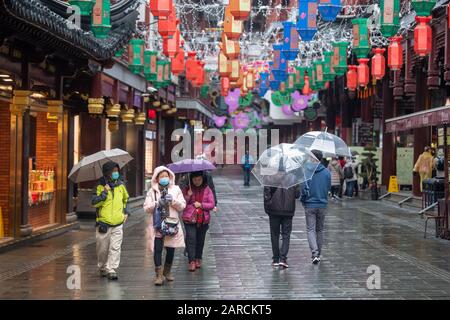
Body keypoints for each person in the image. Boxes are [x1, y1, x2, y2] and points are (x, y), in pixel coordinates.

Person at [143, 166, 186, 286]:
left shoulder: (176, 189)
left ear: (170, 177)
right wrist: (157, 203)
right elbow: (146, 208)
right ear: (157, 178)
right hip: (158, 225)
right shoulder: (152, 191)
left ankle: (167, 271)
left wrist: (173, 201)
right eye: (161, 176)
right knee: (157, 249)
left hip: (171, 224)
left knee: (171, 249)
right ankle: (159, 275)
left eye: (166, 176)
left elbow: (182, 206)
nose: (164, 178)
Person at [91, 161, 130, 280]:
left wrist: (126, 212)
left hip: (118, 223)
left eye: (117, 171)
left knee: (115, 247)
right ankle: (102, 266)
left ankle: (112, 269)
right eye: (113, 171)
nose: (115, 173)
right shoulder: (99, 186)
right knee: (102, 249)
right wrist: (104, 192)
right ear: (106, 173)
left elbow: (126, 199)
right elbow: (94, 203)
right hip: (103, 223)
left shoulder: (121, 185)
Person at [300, 150, 331, 264]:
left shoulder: (307, 171)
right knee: (320, 230)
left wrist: (303, 200)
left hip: (310, 204)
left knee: (311, 229)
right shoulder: (327, 172)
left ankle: (314, 253)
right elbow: (328, 188)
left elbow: (303, 188)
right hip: (322, 204)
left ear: (313, 158)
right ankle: (318, 253)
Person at [182, 171, 215, 271]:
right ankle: (191, 261)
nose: (197, 182)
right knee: (191, 239)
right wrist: (188, 196)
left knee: (200, 240)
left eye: (199, 179)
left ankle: (198, 258)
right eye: (195, 180)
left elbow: (211, 204)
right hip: (189, 219)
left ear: (203, 179)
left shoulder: (207, 189)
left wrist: (201, 205)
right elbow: (182, 203)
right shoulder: (187, 189)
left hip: (203, 219)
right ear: (191, 180)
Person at [264, 183, 300, 269]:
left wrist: (267, 209)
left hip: (274, 210)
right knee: (286, 235)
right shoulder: (293, 179)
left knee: (274, 235)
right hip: (288, 210)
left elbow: (266, 195)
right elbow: (297, 195)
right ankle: (283, 259)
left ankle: (276, 259)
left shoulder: (270, 178)